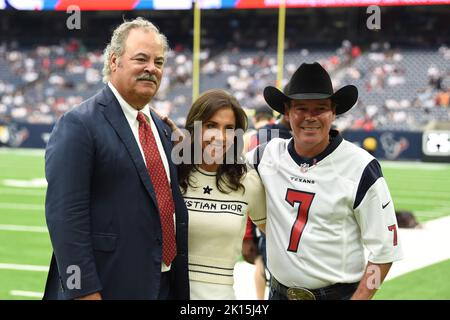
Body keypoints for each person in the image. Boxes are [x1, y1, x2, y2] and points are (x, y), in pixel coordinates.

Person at [43, 17, 189, 300]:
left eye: (159, 62)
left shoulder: (160, 127)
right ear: (114, 61)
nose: (151, 69)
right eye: (141, 59)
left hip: (163, 283)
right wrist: (83, 292)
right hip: (108, 285)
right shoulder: (79, 124)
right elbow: (65, 219)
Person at [247, 62, 403, 300]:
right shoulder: (265, 156)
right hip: (278, 293)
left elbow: (384, 252)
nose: (310, 117)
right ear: (287, 113)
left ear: (333, 112)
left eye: (320, 108)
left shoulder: (361, 167)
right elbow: (222, 171)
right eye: (301, 108)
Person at [177, 89, 266, 300]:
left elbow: (279, 238)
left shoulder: (247, 182)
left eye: (229, 128)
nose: (220, 137)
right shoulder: (172, 175)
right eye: (211, 126)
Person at [242, 111, 292, 300]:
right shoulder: (259, 140)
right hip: (267, 214)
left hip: (261, 214)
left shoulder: (252, 137)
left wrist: (247, 233)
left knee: (260, 262)